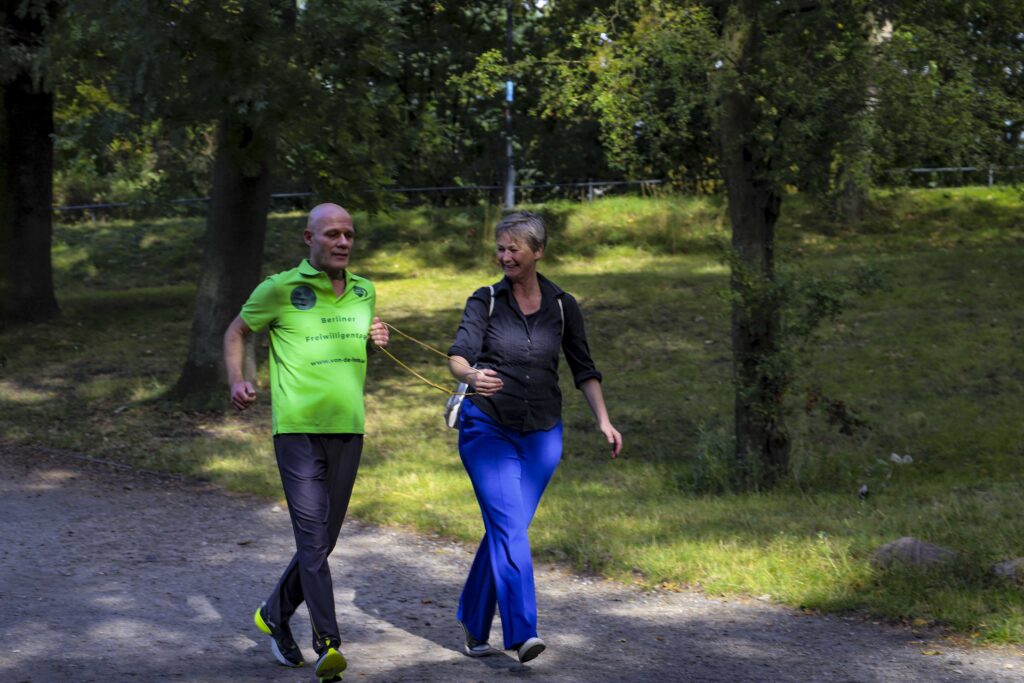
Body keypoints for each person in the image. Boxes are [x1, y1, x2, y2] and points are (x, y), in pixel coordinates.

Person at [447, 210, 623, 664]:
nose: (505, 257)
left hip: (544, 434)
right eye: (500, 249)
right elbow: (458, 355)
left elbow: (584, 368)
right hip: (486, 427)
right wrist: (471, 375)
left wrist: (603, 420)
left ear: (538, 251)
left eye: (514, 249)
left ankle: (472, 616)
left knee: (508, 529)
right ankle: (523, 631)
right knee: (508, 525)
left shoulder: (563, 305)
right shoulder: (484, 300)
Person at [223, 203, 389, 683]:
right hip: (296, 431)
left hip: (349, 428)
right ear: (308, 238)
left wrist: (373, 339)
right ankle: (329, 644)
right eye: (332, 234)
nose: (342, 242)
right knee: (313, 541)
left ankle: (275, 612)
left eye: (349, 235)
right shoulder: (278, 289)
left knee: (325, 539)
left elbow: (350, 352)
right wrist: (239, 380)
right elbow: (236, 330)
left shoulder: (364, 291)